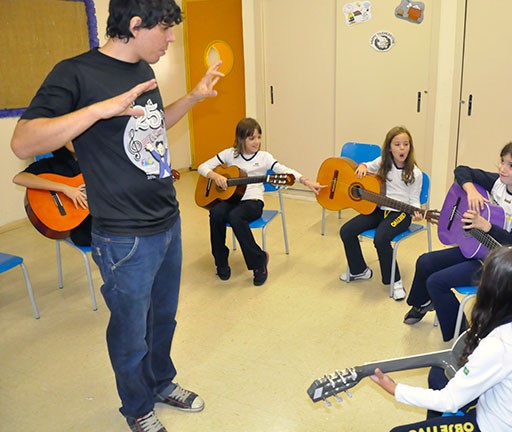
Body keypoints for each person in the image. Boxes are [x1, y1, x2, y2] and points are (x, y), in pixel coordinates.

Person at [10, 1, 224, 430]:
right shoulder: (75, 72)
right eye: (164, 30)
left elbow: (152, 128)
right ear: (135, 24)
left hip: (167, 220)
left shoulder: (144, 70)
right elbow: (22, 143)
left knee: (162, 318)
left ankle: (162, 382)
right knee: (130, 333)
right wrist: (97, 110)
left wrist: (194, 98)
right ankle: (136, 406)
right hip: (124, 236)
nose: (171, 40)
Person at [371, 246, 512, 432]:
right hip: (510, 409)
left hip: (497, 426)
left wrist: (395, 389)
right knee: (438, 374)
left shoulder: (501, 344)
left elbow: (449, 400)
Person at [403, 138, 512, 341]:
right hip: (481, 248)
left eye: (511, 165)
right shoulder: (500, 183)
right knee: (425, 262)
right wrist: (471, 190)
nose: (503, 168)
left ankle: (463, 336)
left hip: (503, 266)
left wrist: (486, 225)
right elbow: (462, 170)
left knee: (436, 282)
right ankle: (421, 303)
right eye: (502, 162)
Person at [197, 117, 324, 286]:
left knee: (236, 217)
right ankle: (220, 261)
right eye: (251, 138)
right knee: (216, 213)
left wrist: (306, 181)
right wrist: (216, 176)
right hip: (231, 198)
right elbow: (202, 167)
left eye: (258, 137)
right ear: (241, 139)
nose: (257, 142)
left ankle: (259, 261)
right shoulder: (230, 154)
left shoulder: (264, 157)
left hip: (253, 201)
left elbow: (284, 170)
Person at [338, 126, 424, 301]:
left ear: (410, 147)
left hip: (400, 214)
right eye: (397, 144)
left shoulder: (415, 173)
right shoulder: (384, 162)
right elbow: (366, 165)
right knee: (346, 230)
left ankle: (395, 280)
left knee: (381, 238)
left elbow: (414, 200)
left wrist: (417, 212)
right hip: (379, 209)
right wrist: (362, 167)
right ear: (389, 147)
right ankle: (359, 270)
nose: (402, 148)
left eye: (406, 144)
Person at [13, 142, 92, 246]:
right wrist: (65, 188)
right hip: (80, 227)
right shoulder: (53, 164)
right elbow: (19, 178)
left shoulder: (97, 161)